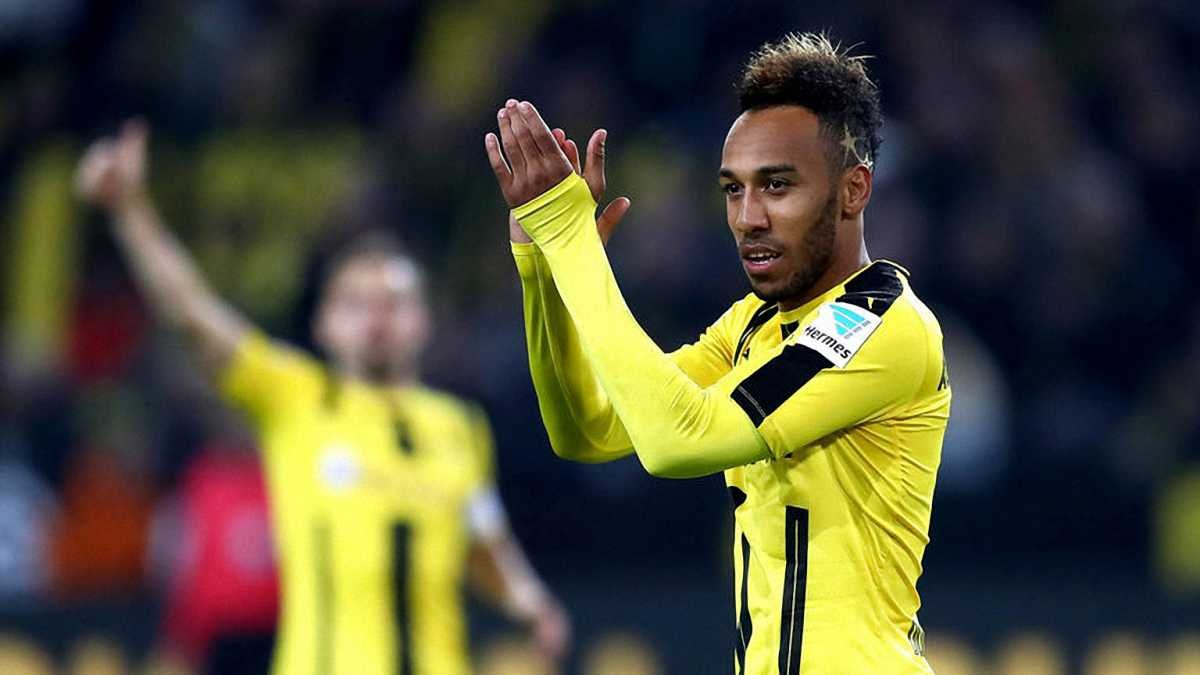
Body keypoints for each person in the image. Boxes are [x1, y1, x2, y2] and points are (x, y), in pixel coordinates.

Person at [486, 33, 950, 673]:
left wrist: (572, 240)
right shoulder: (752, 324)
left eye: (777, 185)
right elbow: (588, 429)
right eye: (734, 190)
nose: (748, 217)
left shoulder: (880, 322)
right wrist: (545, 267)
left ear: (853, 190)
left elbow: (678, 442)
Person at [76, 120, 569, 675]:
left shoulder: (457, 426)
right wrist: (131, 213)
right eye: (358, 303)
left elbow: (482, 538)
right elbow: (195, 318)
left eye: (395, 302)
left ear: (424, 320)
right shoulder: (295, 397)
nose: (378, 319)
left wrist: (529, 599)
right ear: (325, 323)